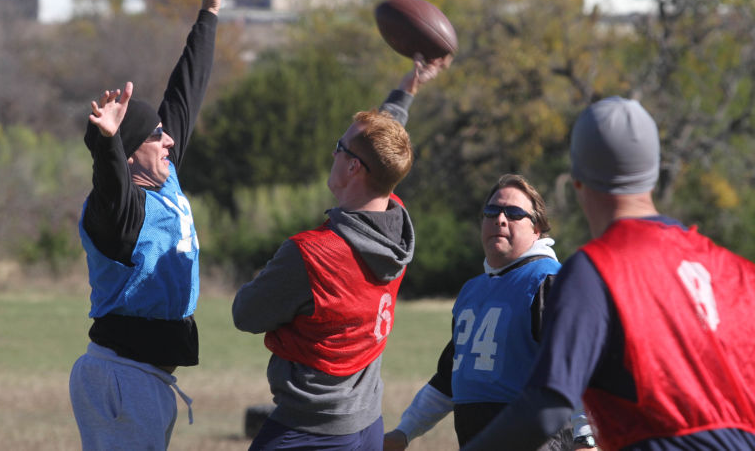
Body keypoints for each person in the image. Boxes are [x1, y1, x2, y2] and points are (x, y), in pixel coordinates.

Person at [463, 96, 755, 450]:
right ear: (655, 170)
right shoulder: (738, 272)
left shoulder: (593, 271)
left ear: (578, 182)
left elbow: (546, 409)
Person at [231, 54, 450, 450]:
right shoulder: (395, 227)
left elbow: (245, 313)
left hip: (307, 431)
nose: (332, 153)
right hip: (365, 425)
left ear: (354, 169)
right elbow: (384, 148)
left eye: (339, 147)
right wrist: (405, 92)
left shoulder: (310, 254)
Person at [69, 0, 220, 450]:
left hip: (143, 379)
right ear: (131, 153)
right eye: (158, 136)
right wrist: (106, 140)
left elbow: (185, 96)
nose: (170, 140)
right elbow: (108, 178)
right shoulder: (119, 211)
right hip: (121, 379)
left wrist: (208, 17)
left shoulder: (164, 175)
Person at [383, 174, 591, 450]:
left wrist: (585, 437)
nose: (500, 219)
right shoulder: (474, 290)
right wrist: (405, 431)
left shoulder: (548, 280)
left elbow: (580, 364)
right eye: (492, 211)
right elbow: (449, 380)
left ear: (537, 228)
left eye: (515, 213)